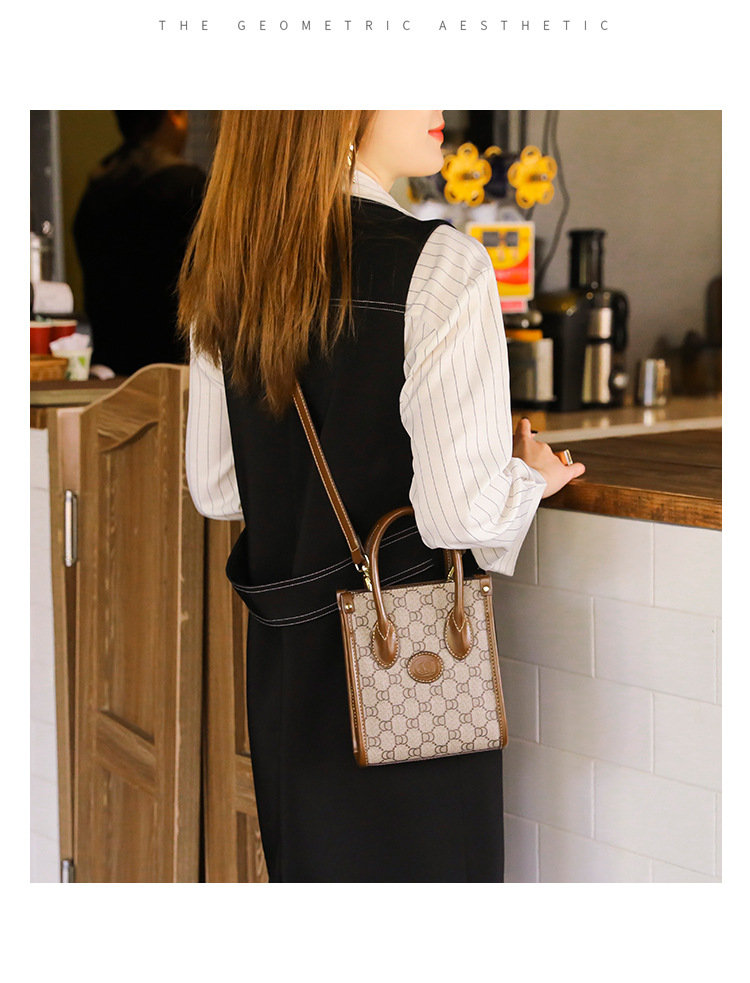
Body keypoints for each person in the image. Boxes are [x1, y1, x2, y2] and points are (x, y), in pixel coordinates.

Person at [180, 111, 584, 883]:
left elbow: (218, 483)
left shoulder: (231, 267)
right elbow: (460, 514)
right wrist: (529, 474)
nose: (439, 103)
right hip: (415, 675)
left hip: (289, 679)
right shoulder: (439, 265)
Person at [73, 110, 206, 375]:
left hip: (110, 367)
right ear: (174, 115)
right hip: (175, 369)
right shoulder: (187, 187)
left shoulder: (97, 188)